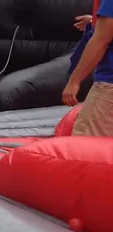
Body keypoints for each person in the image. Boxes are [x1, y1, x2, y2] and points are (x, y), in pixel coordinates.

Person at [62, 0, 113, 136]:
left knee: (86, 142)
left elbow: (101, 40)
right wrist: (97, 22)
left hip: (109, 86)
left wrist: (74, 81)